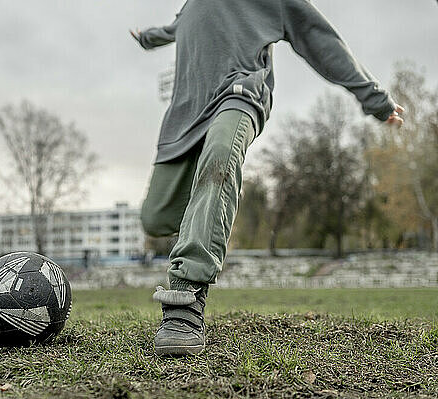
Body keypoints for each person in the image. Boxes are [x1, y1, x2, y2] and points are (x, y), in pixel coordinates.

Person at [131, 0, 404, 356]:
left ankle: (184, 302)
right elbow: (175, 28)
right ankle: (214, 208)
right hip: (185, 114)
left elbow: (321, 39)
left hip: (240, 93)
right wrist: (147, 38)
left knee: (219, 161)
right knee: (155, 217)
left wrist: (376, 100)